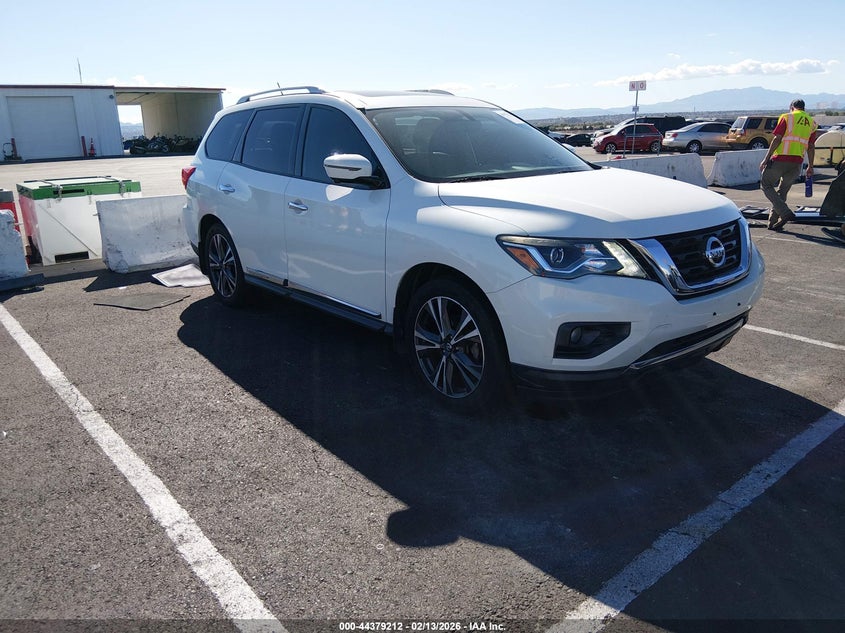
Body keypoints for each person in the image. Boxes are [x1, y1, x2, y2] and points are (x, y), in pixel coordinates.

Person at [759, 99, 818, 231]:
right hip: (797, 163)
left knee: (765, 184)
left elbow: (777, 138)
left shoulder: (787, 117)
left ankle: (785, 213)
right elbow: (811, 146)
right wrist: (811, 166)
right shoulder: (812, 123)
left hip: (780, 159)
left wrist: (766, 158)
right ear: (804, 108)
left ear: (792, 107)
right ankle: (773, 222)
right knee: (783, 191)